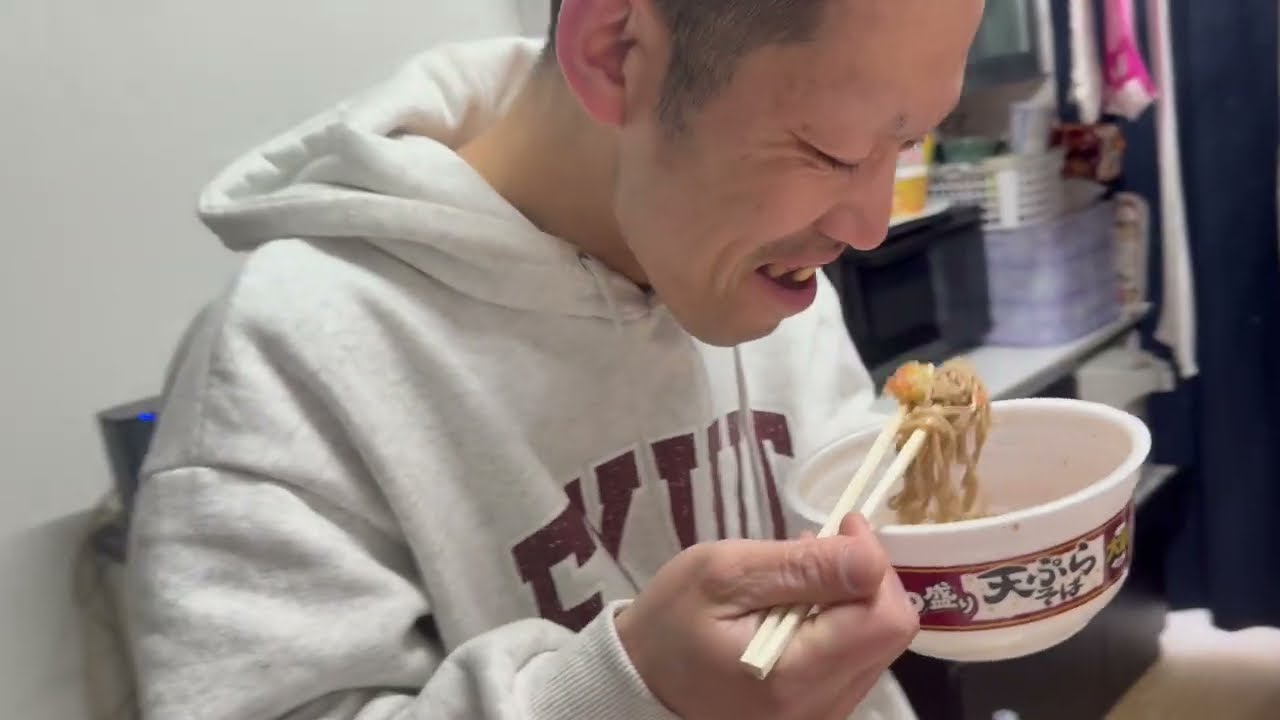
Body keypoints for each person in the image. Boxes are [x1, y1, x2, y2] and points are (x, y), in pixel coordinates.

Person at [124, 0, 983, 717]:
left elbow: (849, 509)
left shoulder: (772, 274)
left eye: (904, 144)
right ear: (615, 51)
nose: (869, 226)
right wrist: (621, 694)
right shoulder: (292, 357)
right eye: (832, 150)